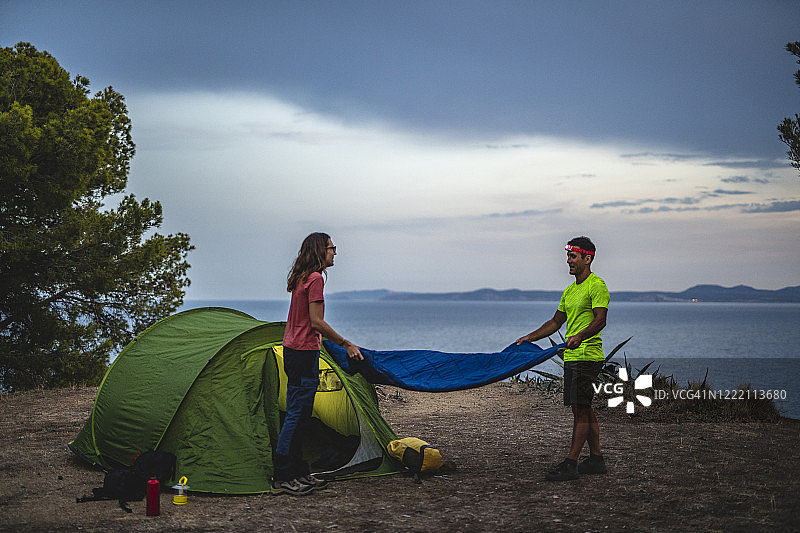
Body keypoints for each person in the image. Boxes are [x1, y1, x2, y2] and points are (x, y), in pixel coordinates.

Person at [272, 232, 364, 495]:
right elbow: (316, 322)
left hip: (293, 351)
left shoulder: (303, 277)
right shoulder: (315, 279)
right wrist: (346, 343)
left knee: (298, 414)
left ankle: (298, 472)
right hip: (303, 353)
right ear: (319, 251)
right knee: (297, 416)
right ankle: (282, 477)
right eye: (331, 248)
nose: (334, 252)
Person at [515, 236, 609, 481]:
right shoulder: (569, 291)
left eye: (573, 257)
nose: (568, 261)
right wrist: (530, 338)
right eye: (568, 256)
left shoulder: (596, 285)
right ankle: (597, 459)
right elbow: (556, 322)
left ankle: (571, 463)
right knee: (584, 409)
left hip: (587, 356)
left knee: (580, 410)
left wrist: (579, 336)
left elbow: (600, 319)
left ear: (588, 258)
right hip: (573, 356)